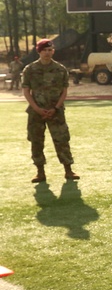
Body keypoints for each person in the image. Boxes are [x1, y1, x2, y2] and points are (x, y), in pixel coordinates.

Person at [21, 39, 78, 183]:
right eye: (44, 50)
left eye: (50, 50)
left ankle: (68, 170)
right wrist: (37, 109)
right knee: (36, 141)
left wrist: (56, 108)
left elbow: (64, 91)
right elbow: (26, 91)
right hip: (36, 112)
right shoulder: (30, 69)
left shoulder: (60, 69)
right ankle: (40, 172)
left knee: (62, 140)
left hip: (56, 111)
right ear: (39, 51)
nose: (47, 53)